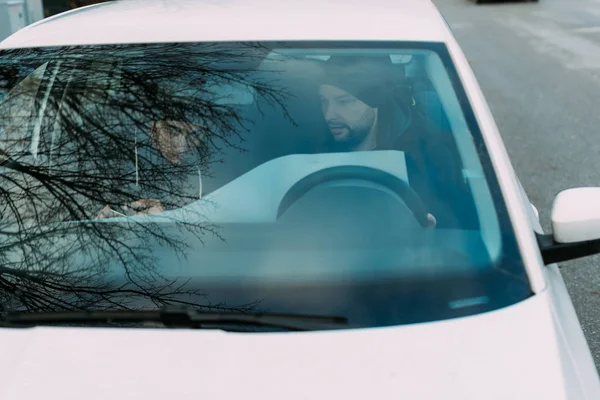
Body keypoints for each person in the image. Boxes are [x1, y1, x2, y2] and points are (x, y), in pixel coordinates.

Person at [316, 55, 464, 228]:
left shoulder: (427, 156)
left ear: (375, 102)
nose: (328, 115)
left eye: (343, 101)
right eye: (323, 101)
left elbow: (455, 228)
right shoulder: (315, 151)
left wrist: (433, 227)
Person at [96, 119, 203, 218]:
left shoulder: (196, 173)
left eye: (178, 133)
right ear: (154, 137)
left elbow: (198, 212)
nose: (175, 142)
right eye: (166, 133)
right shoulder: (128, 165)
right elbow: (108, 208)